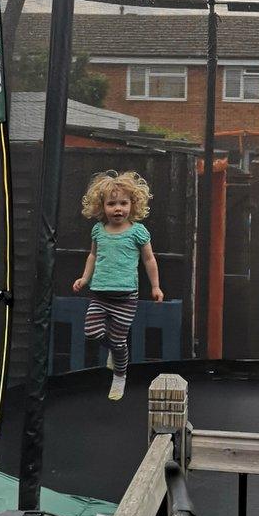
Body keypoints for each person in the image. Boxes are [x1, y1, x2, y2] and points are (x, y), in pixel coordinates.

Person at [72, 171, 164, 400]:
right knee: (92, 333)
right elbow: (92, 256)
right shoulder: (98, 231)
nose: (118, 208)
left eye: (123, 203)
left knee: (117, 339)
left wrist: (155, 286)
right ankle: (116, 349)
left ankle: (120, 376)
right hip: (99, 295)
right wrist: (84, 278)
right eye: (111, 203)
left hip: (125, 298)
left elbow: (149, 260)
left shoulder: (138, 232)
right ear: (101, 206)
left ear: (133, 204)